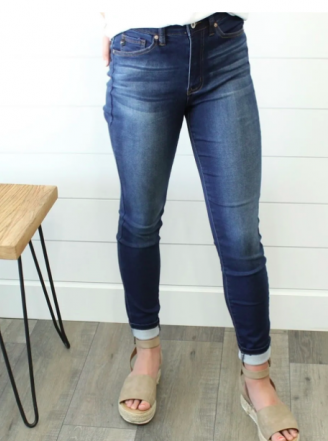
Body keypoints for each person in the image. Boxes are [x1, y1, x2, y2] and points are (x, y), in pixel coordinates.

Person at [100, 12, 300, 441]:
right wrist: (104, 23)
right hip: (140, 50)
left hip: (222, 44)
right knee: (140, 220)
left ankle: (257, 377)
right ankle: (146, 353)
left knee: (241, 236)